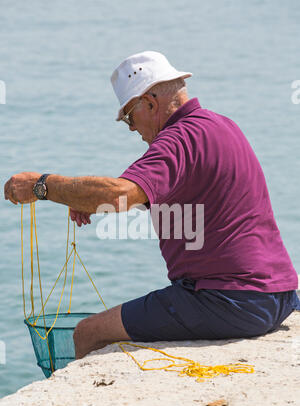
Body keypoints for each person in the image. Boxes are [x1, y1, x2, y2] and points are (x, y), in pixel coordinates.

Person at [4, 51, 300, 360]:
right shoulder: (221, 126)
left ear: (150, 102)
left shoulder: (178, 138)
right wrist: (89, 200)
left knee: (88, 332)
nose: (131, 128)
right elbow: (185, 198)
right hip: (278, 296)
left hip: (229, 300)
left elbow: (122, 192)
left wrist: (43, 186)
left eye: (129, 117)